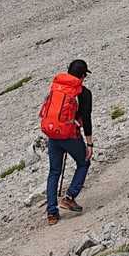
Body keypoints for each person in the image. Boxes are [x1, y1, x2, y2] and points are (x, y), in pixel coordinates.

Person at [39, 59, 94, 225]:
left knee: (54, 172)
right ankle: (69, 197)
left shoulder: (56, 87)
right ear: (83, 75)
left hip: (53, 134)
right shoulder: (83, 93)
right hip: (70, 136)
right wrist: (89, 144)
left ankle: (52, 213)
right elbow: (86, 118)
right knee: (84, 162)